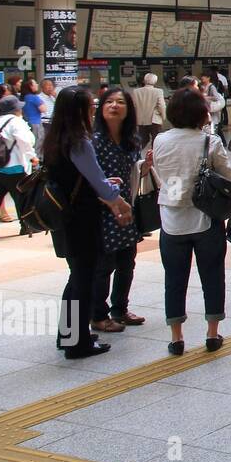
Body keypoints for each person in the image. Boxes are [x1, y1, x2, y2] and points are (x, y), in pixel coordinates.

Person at [43, 87, 132, 359]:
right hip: (82, 219)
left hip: (63, 217)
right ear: (80, 111)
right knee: (83, 280)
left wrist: (106, 186)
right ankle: (78, 343)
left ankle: (68, 334)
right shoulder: (80, 142)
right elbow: (99, 184)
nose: (94, 110)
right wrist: (116, 194)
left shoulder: (53, 139)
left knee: (75, 278)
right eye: (90, 106)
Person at [151, 89, 231, 355]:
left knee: (174, 279)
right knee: (212, 276)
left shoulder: (159, 141)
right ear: (201, 114)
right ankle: (212, 334)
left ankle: (177, 338)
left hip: (171, 220)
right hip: (205, 219)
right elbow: (228, 181)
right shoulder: (209, 142)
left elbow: (161, 175)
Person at [91, 87, 148, 332]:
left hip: (126, 209)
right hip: (102, 211)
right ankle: (98, 315)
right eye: (109, 102)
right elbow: (90, 181)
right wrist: (110, 201)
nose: (114, 106)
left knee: (127, 262)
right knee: (104, 267)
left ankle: (120, 309)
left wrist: (145, 168)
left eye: (120, 102)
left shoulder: (131, 140)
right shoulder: (93, 142)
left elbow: (132, 173)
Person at [0, 95, 36, 242]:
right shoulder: (17, 122)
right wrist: (32, 156)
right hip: (14, 167)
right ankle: (26, 225)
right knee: (21, 197)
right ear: (15, 109)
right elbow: (25, 141)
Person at [131, 73, 166, 147]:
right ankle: (153, 155)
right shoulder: (158, 91)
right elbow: (161, 106)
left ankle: (137, 154)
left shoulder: (136, 91)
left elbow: (133, 106)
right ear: (155, 81)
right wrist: (163, 116)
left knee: (143, 140)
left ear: (144, 80)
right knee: (156, 140)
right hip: (154, 120)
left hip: (141, 121)